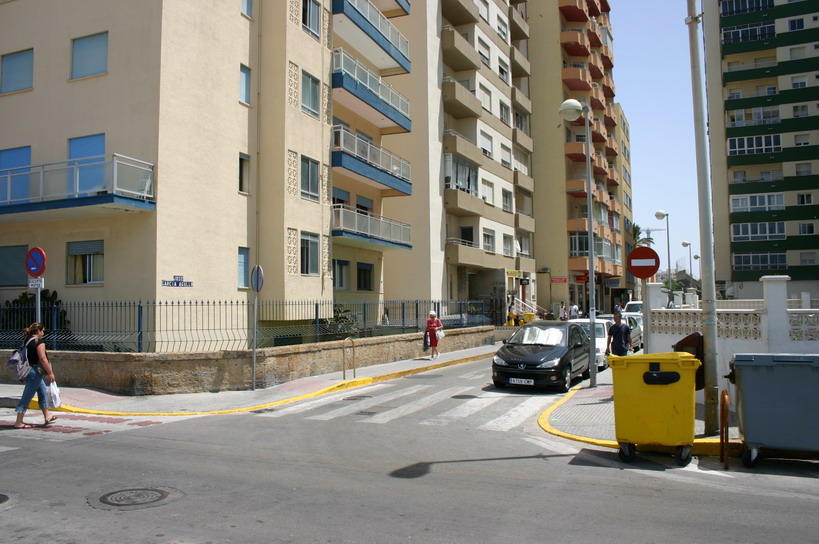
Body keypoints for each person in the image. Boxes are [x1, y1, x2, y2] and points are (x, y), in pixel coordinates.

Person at [14, 322, 57, 429]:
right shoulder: (39, 342)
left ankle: (47, 415)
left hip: (27, 370)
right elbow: (43, 359)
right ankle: (18, 422)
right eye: (42, 331)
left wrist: (21, 375)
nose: (43, 333)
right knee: (27, 396)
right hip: (34, 372)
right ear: (38, 331)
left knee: (42, 391)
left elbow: (22, 357)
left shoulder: (27, 341)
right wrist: (50, 373)